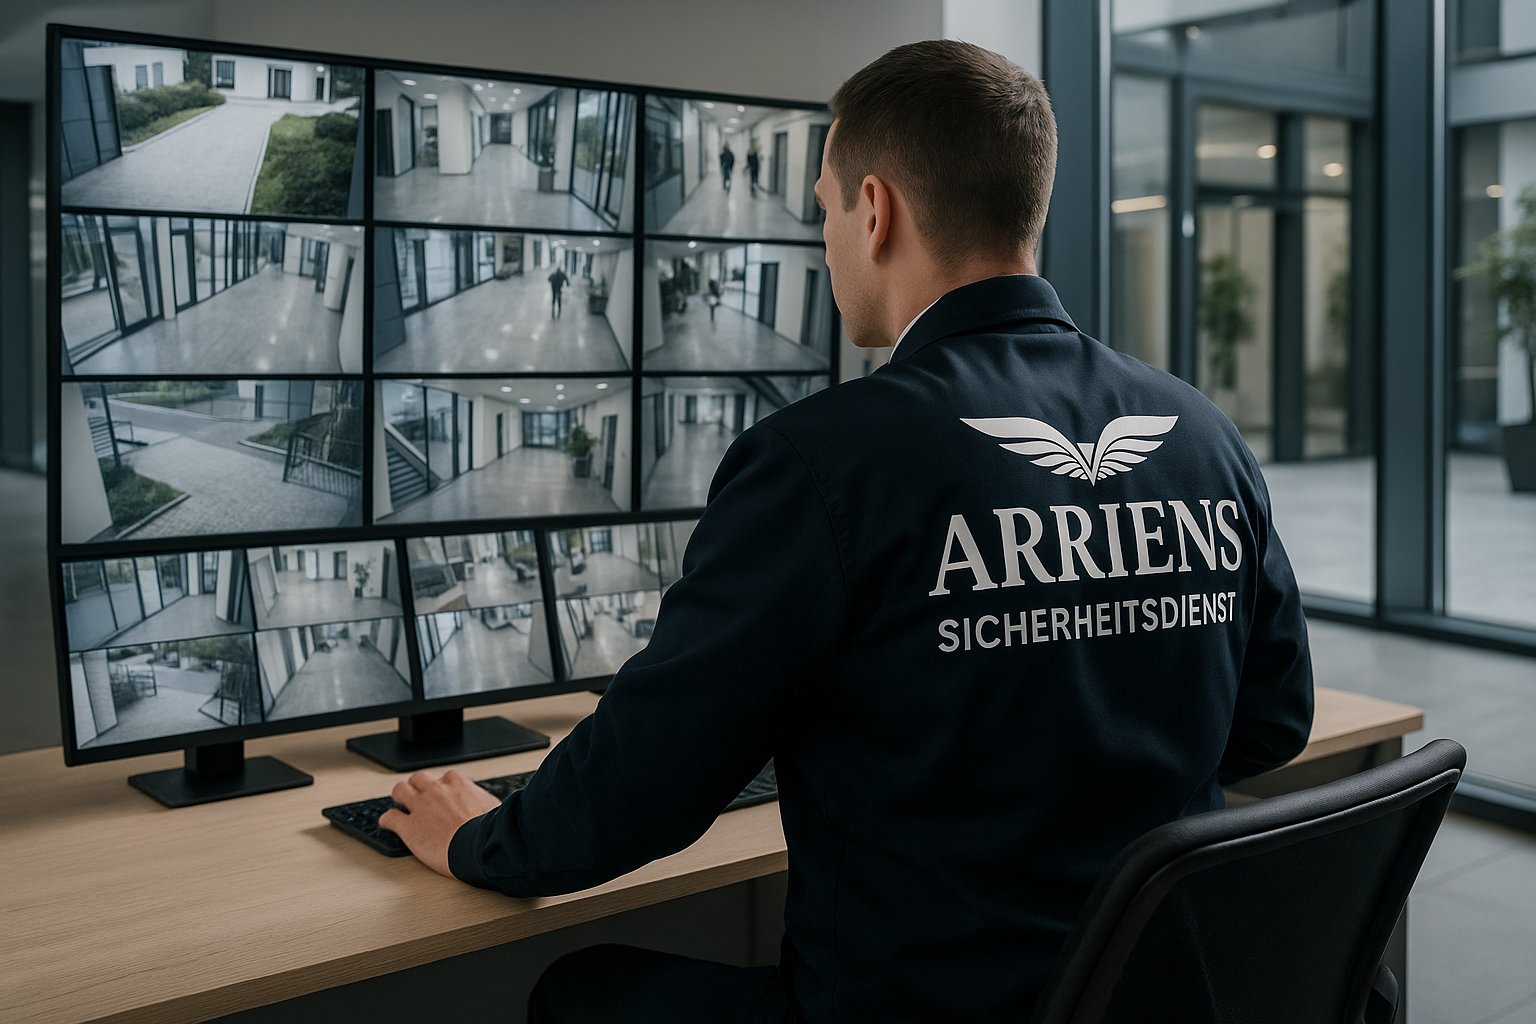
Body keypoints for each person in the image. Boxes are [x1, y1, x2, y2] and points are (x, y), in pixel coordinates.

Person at [381, 40, 1312, 1024]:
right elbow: (1269, 723)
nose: (823, 240)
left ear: (877, 211)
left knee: (576, 990)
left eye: (822, 208)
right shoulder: (1200, 432)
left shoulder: (823, 461)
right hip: (1148, 999)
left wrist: (476, 836)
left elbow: (639, 788)